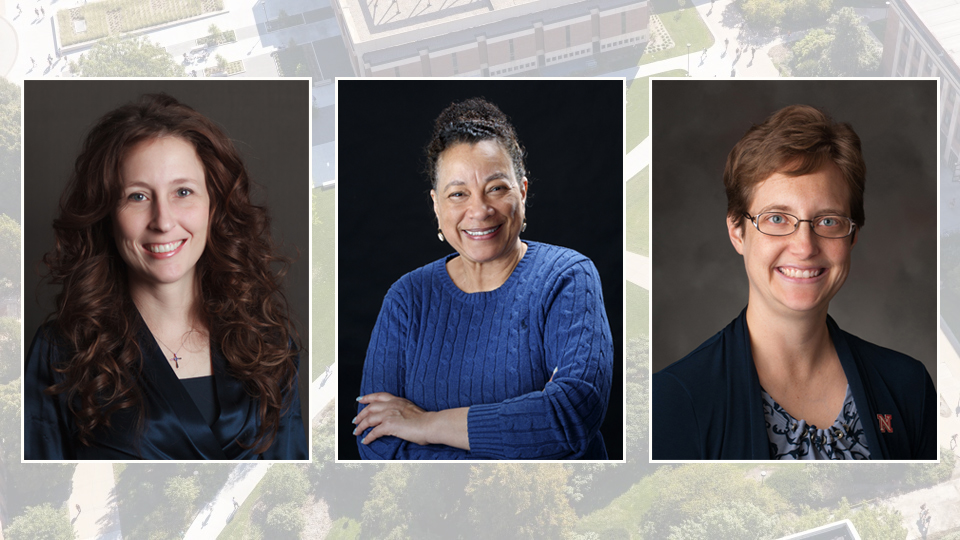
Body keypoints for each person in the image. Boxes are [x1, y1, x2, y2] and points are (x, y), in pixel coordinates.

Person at [24, 94, 307, 460]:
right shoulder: (60, 353)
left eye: (183, 192)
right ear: (107, 214)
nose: (163, 220)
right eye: (138, 196)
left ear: (213, 205)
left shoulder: (268, 342)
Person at [652, 104, 936, 460]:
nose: (804, 246)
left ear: (853, 235)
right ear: (737, 232)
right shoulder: (673, 401)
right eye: (776, 218)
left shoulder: (908, 386)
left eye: (828, 221)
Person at [352, 97, 613, 459]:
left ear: (522, 191)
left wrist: (424, 424)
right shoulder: (407, 297)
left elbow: (569, 417)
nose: (479, 211)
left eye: (496, 188)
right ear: (436, 205)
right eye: (458, 194)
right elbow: (376, 442)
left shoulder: (568, 277)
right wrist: (524, 436)